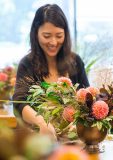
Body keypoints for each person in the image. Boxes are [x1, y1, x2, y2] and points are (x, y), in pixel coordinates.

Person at [13, 4, 89, 140]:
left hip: (72, 140)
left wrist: (79, 122)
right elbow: (19, 103)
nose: (53, 42)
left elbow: (87, 100)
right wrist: (41, 122)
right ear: (36, 34)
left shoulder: (75, 61)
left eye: (59, 35)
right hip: (37, 140)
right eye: (47, 36)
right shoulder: (27, 64)